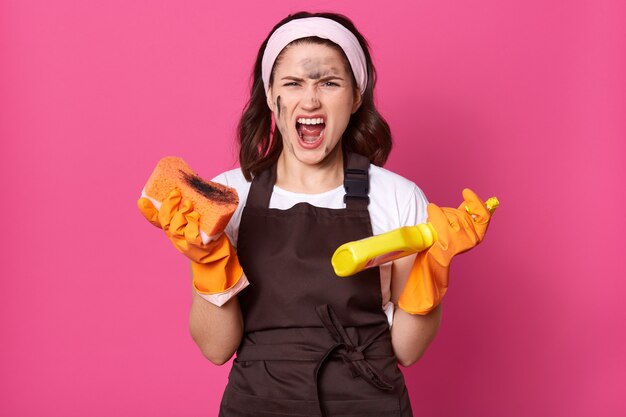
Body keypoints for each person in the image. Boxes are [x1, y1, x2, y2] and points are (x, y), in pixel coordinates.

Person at [138, 11, 494, 417]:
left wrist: (431, 272)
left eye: (329, 83)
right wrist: (208, 261)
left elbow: (407, 352)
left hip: (368, 404)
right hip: (259, 404)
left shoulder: (396, 196)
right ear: (272, 95)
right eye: (293, 83)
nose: (310, 100)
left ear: (356, 96)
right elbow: (217, 348)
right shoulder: (228, 197)